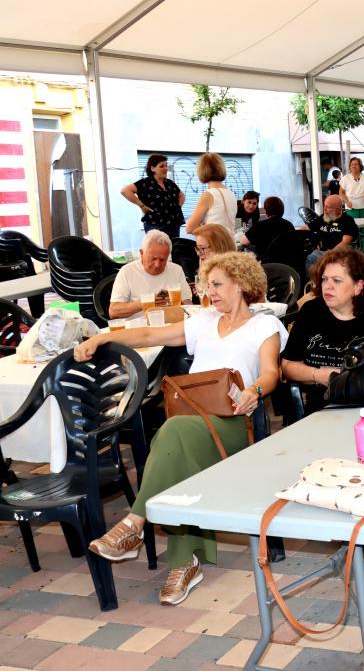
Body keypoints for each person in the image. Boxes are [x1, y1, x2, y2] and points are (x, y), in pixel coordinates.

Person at [79, 252, 287, 606]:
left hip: (234, 421)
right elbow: (149, 333)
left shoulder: (264, 326)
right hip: (191, 419)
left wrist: (254, 391)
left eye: (217, 285)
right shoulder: (203, 321)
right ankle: (183, 562)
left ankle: (134, 525)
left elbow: (271, 372)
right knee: (177, 449)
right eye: (207, 286)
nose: (210, 292)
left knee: (171, 433)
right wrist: (101, 339)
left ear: (240, 284)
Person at [281, 248, 364, 415]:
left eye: (337, 280)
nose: (328, 286)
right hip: (323, 409)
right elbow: (288, 366)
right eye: (324, 279)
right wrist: (319, 375)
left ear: (358, 286)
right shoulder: (311, 311)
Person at [108, 230, 189, 320]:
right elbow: (113, 312)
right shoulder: (127, 272)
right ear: (141, 253)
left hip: (170, 324)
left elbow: (188, 304)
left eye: (162, 260)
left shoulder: (176, 270)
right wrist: (144, 303)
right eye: (153, 258)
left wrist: (178, 303)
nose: (157, 264)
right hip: (138, 326)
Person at [121, 154, 185, 240]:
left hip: (174, 224)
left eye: (166, 166)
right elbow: (125, 190)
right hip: (155, 224)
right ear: (152, 168)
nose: (165, 168)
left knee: (173, 247)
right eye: (161, 166)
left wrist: (178, 207)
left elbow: (181, 195)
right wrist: (142, 206)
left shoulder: (169, 183)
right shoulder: (145, 183)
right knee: (157, 247)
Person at [184, 153, 237, 234]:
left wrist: (202, 225)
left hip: (214, 241)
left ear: (202, 170)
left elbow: (190, 228)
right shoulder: (231, 194)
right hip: (230, 240)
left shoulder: (209, 195)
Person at [304, 194, 358, 271]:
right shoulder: (323, 218)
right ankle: (313, 278)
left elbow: (345, 242)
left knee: (313, 259)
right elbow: (307, 228)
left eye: (328, 207)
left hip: (340, 253)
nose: (324, 209)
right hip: (321, 252)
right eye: (324, 206)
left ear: (338, 209)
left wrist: (329, 254)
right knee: (306, 259)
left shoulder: (347, 221)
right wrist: (293, 234)